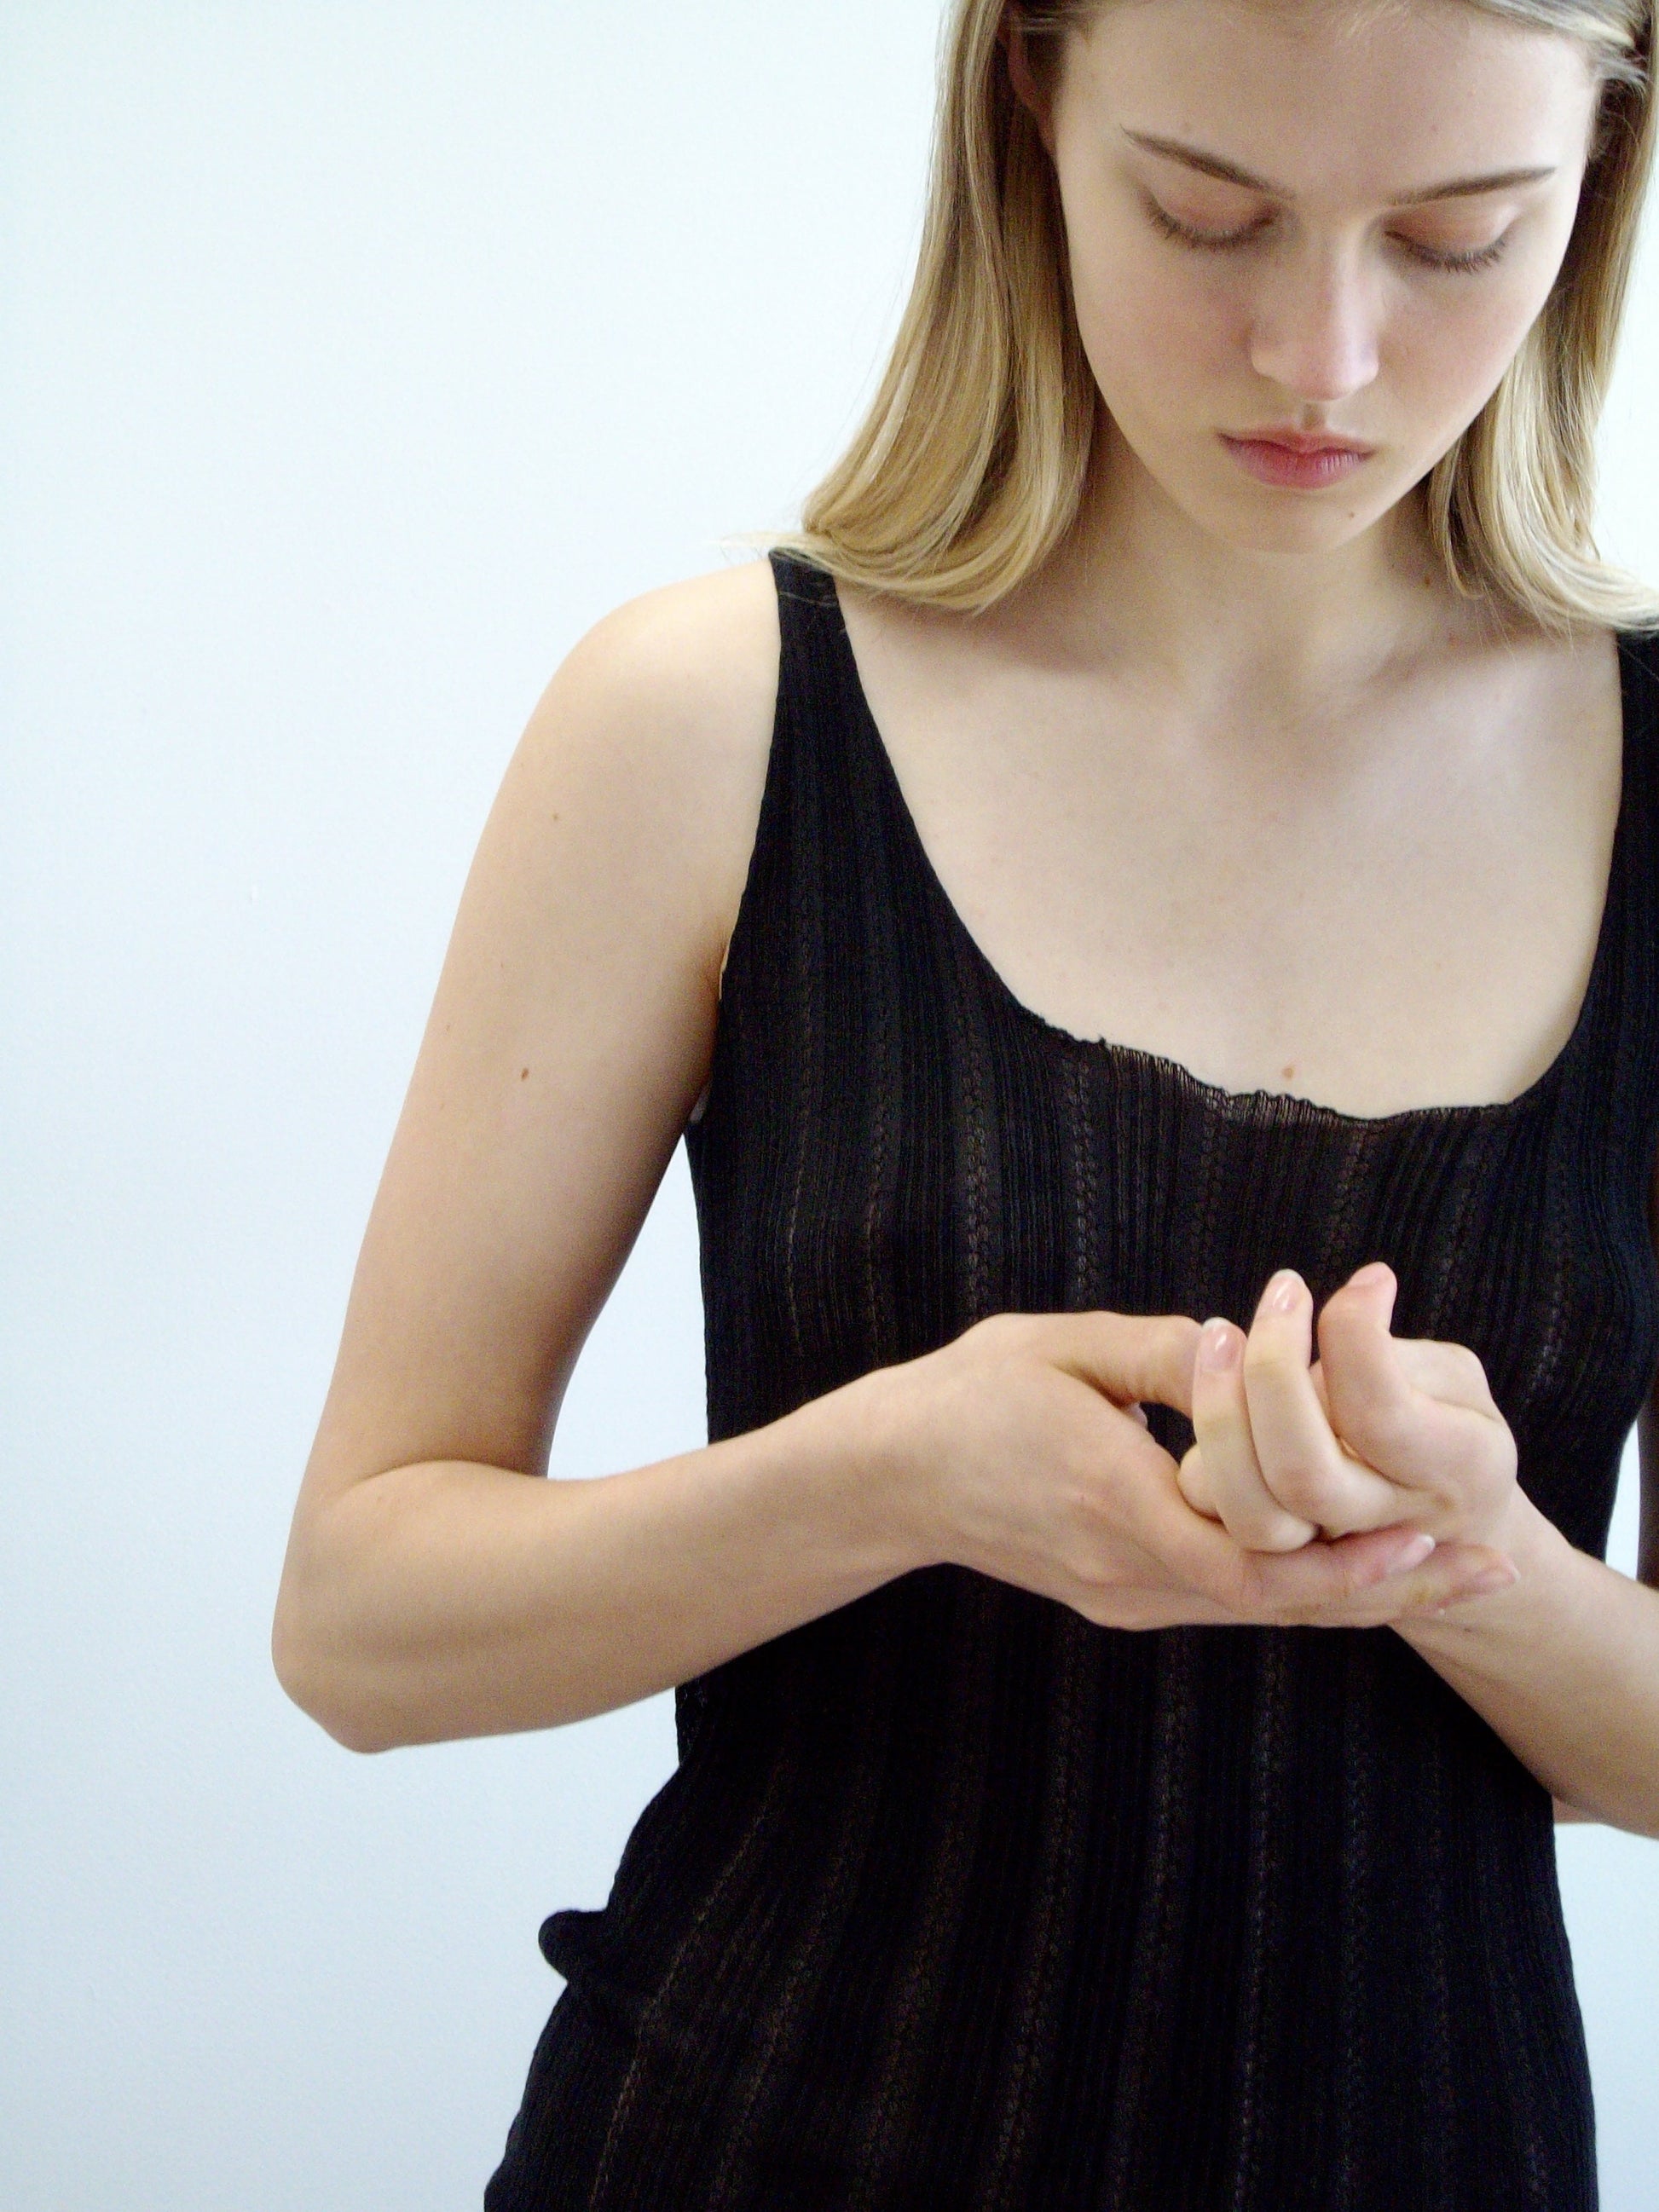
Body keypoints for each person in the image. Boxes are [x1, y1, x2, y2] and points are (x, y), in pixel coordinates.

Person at [272, 0, 1659, 2202]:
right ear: (1031, 92)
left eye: (1453, 239)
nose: (1319, 356)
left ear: (1601, 163)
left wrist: (1466, 1562)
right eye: (1208, 213)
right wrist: (899, 1473)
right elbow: (358, 1628)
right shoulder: (708, 720)